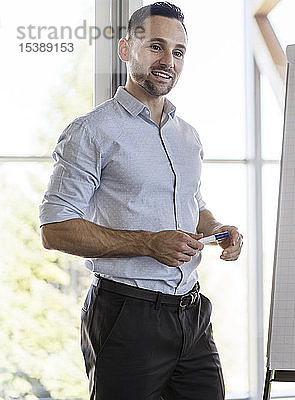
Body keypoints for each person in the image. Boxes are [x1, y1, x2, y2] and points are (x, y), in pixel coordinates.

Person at [39, 2, 242, 399]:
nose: (168, 60)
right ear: (125, 49)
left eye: (178, 52)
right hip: (125, 316)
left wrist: (216, 229)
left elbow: (191, 203)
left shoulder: (188, 136)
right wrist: (147, 244)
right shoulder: (91, 131)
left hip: (193, 314)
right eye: (156, 46)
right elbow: (54, 229)